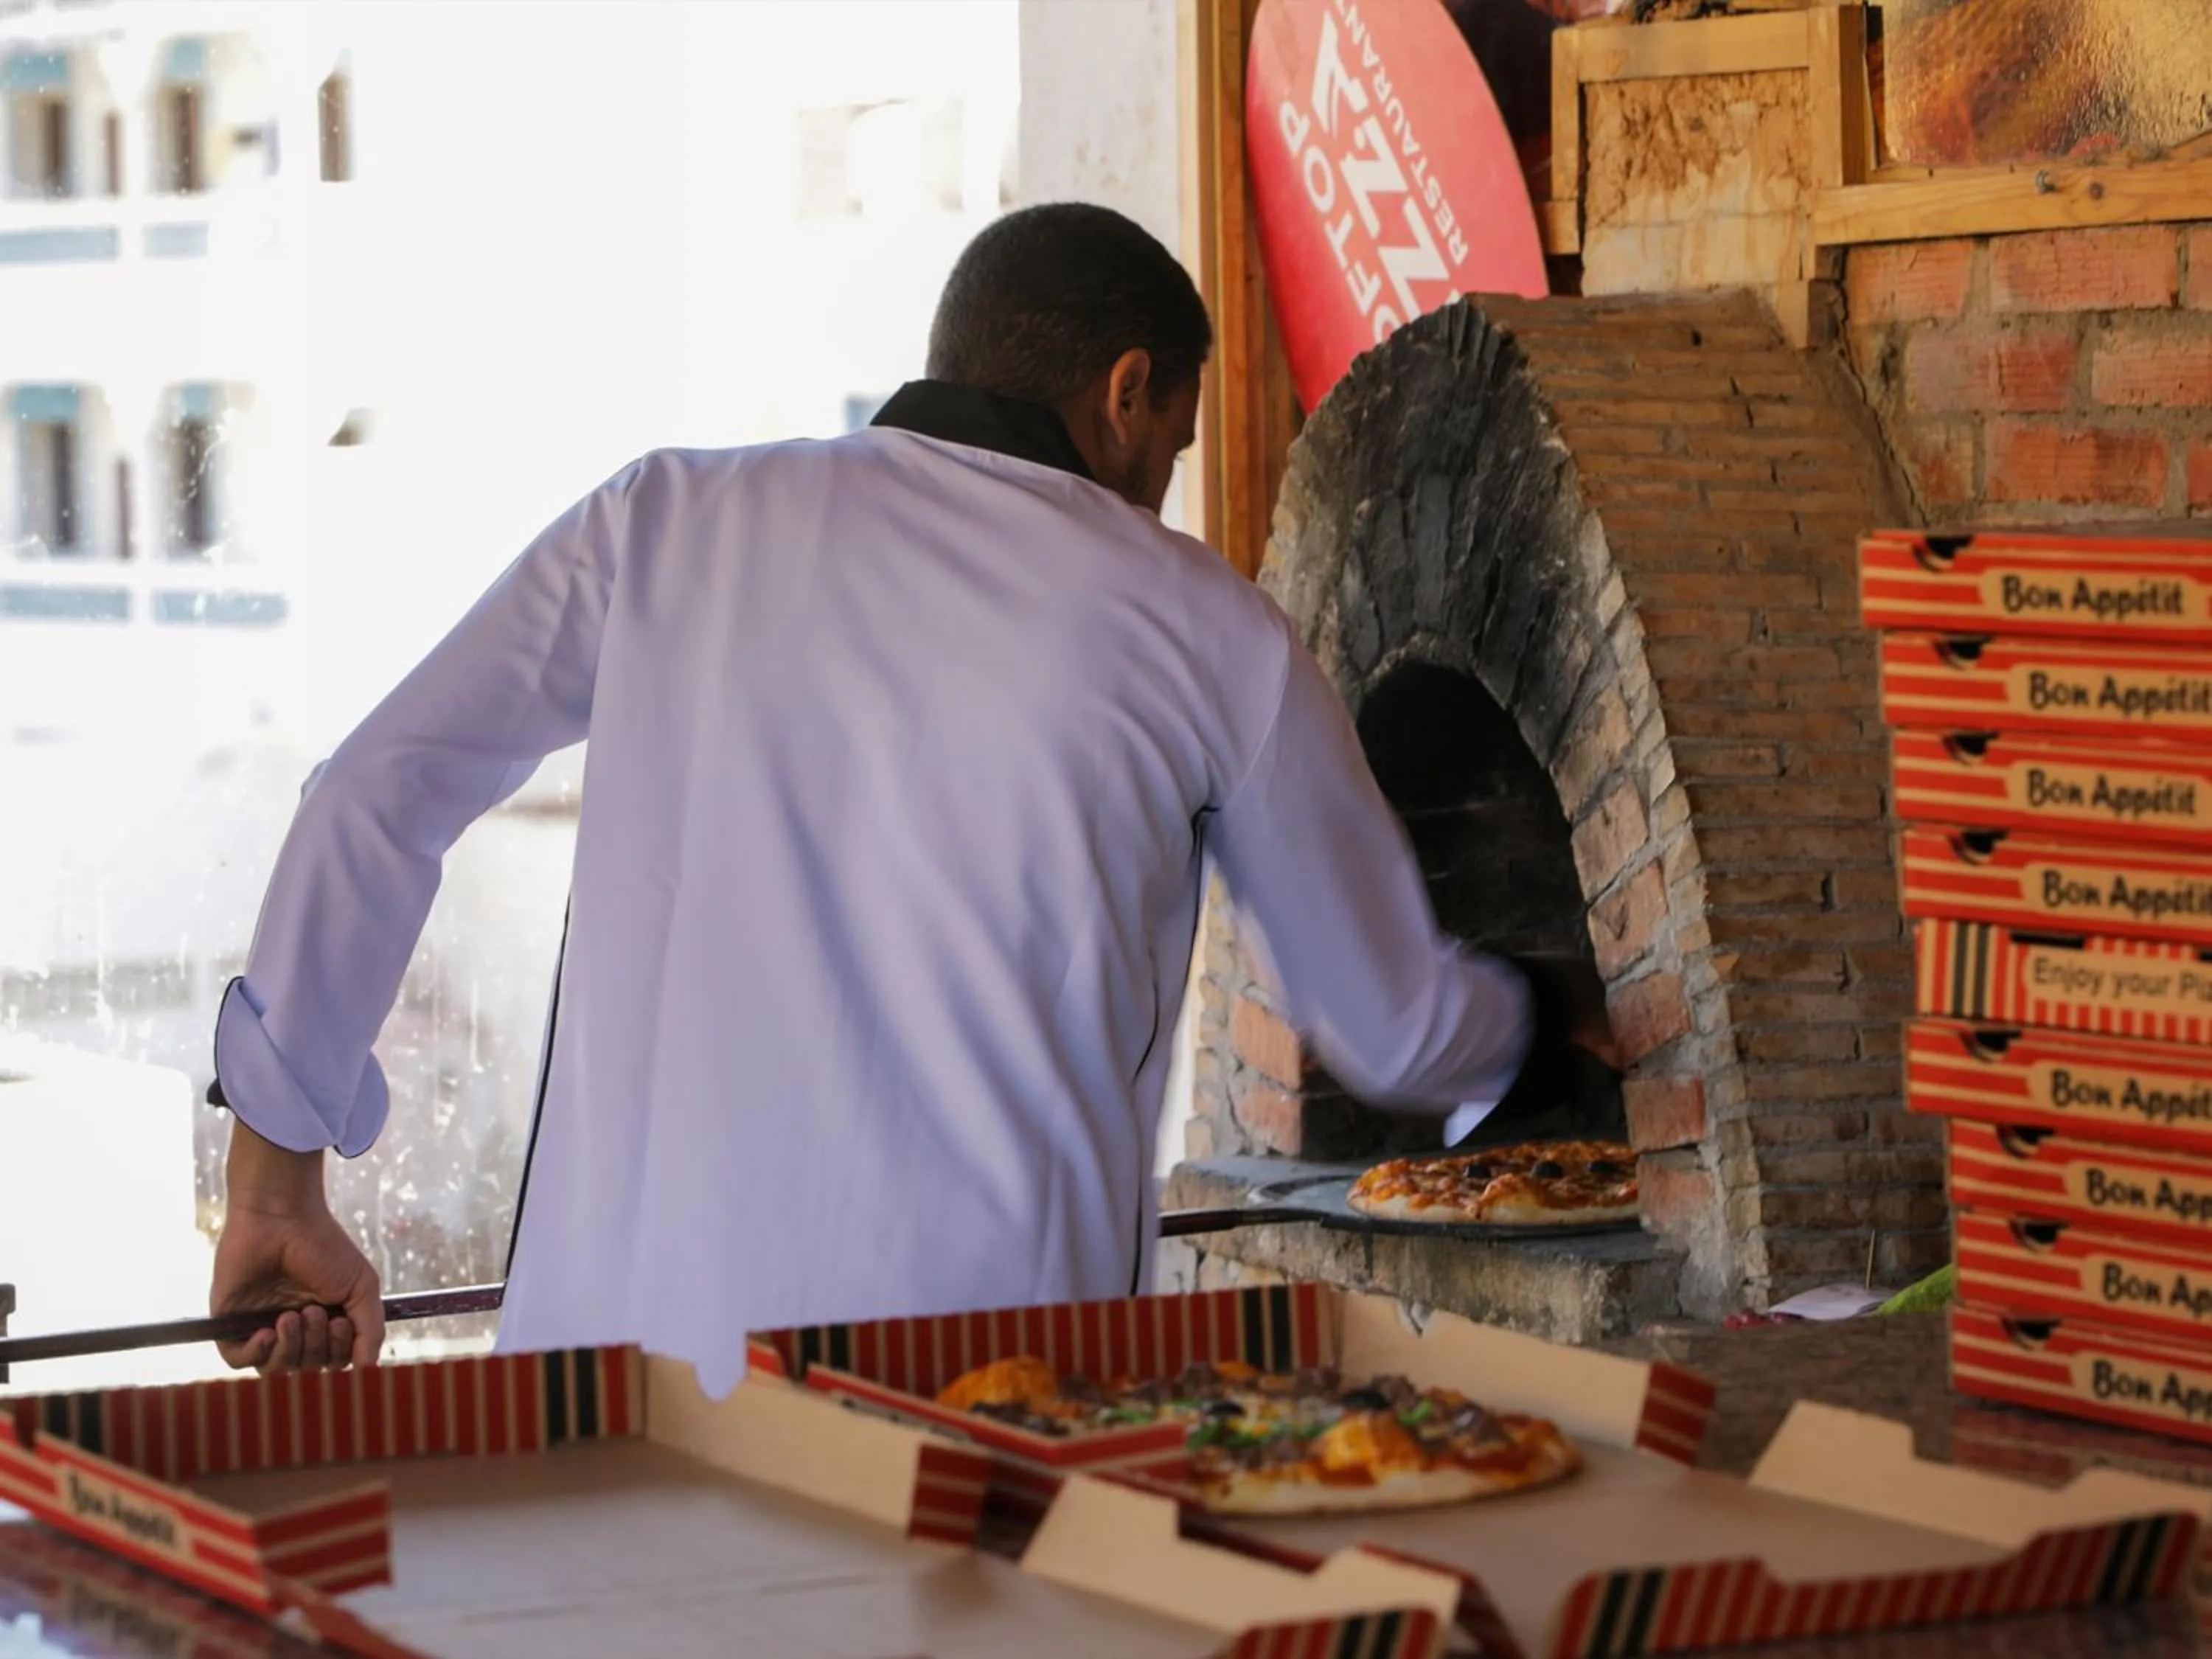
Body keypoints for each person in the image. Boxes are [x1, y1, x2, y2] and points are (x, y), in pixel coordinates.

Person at [208, 203, 1610, 1394]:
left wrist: (272, 1186)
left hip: (612, 1409)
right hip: (980, 1421)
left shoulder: (665, 526)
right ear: (1128, 393)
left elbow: (379, 792)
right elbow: (1391, 1024)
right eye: (1175, 448)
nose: (1161, 492)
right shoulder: (1212, 634)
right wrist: (1539, 1025)